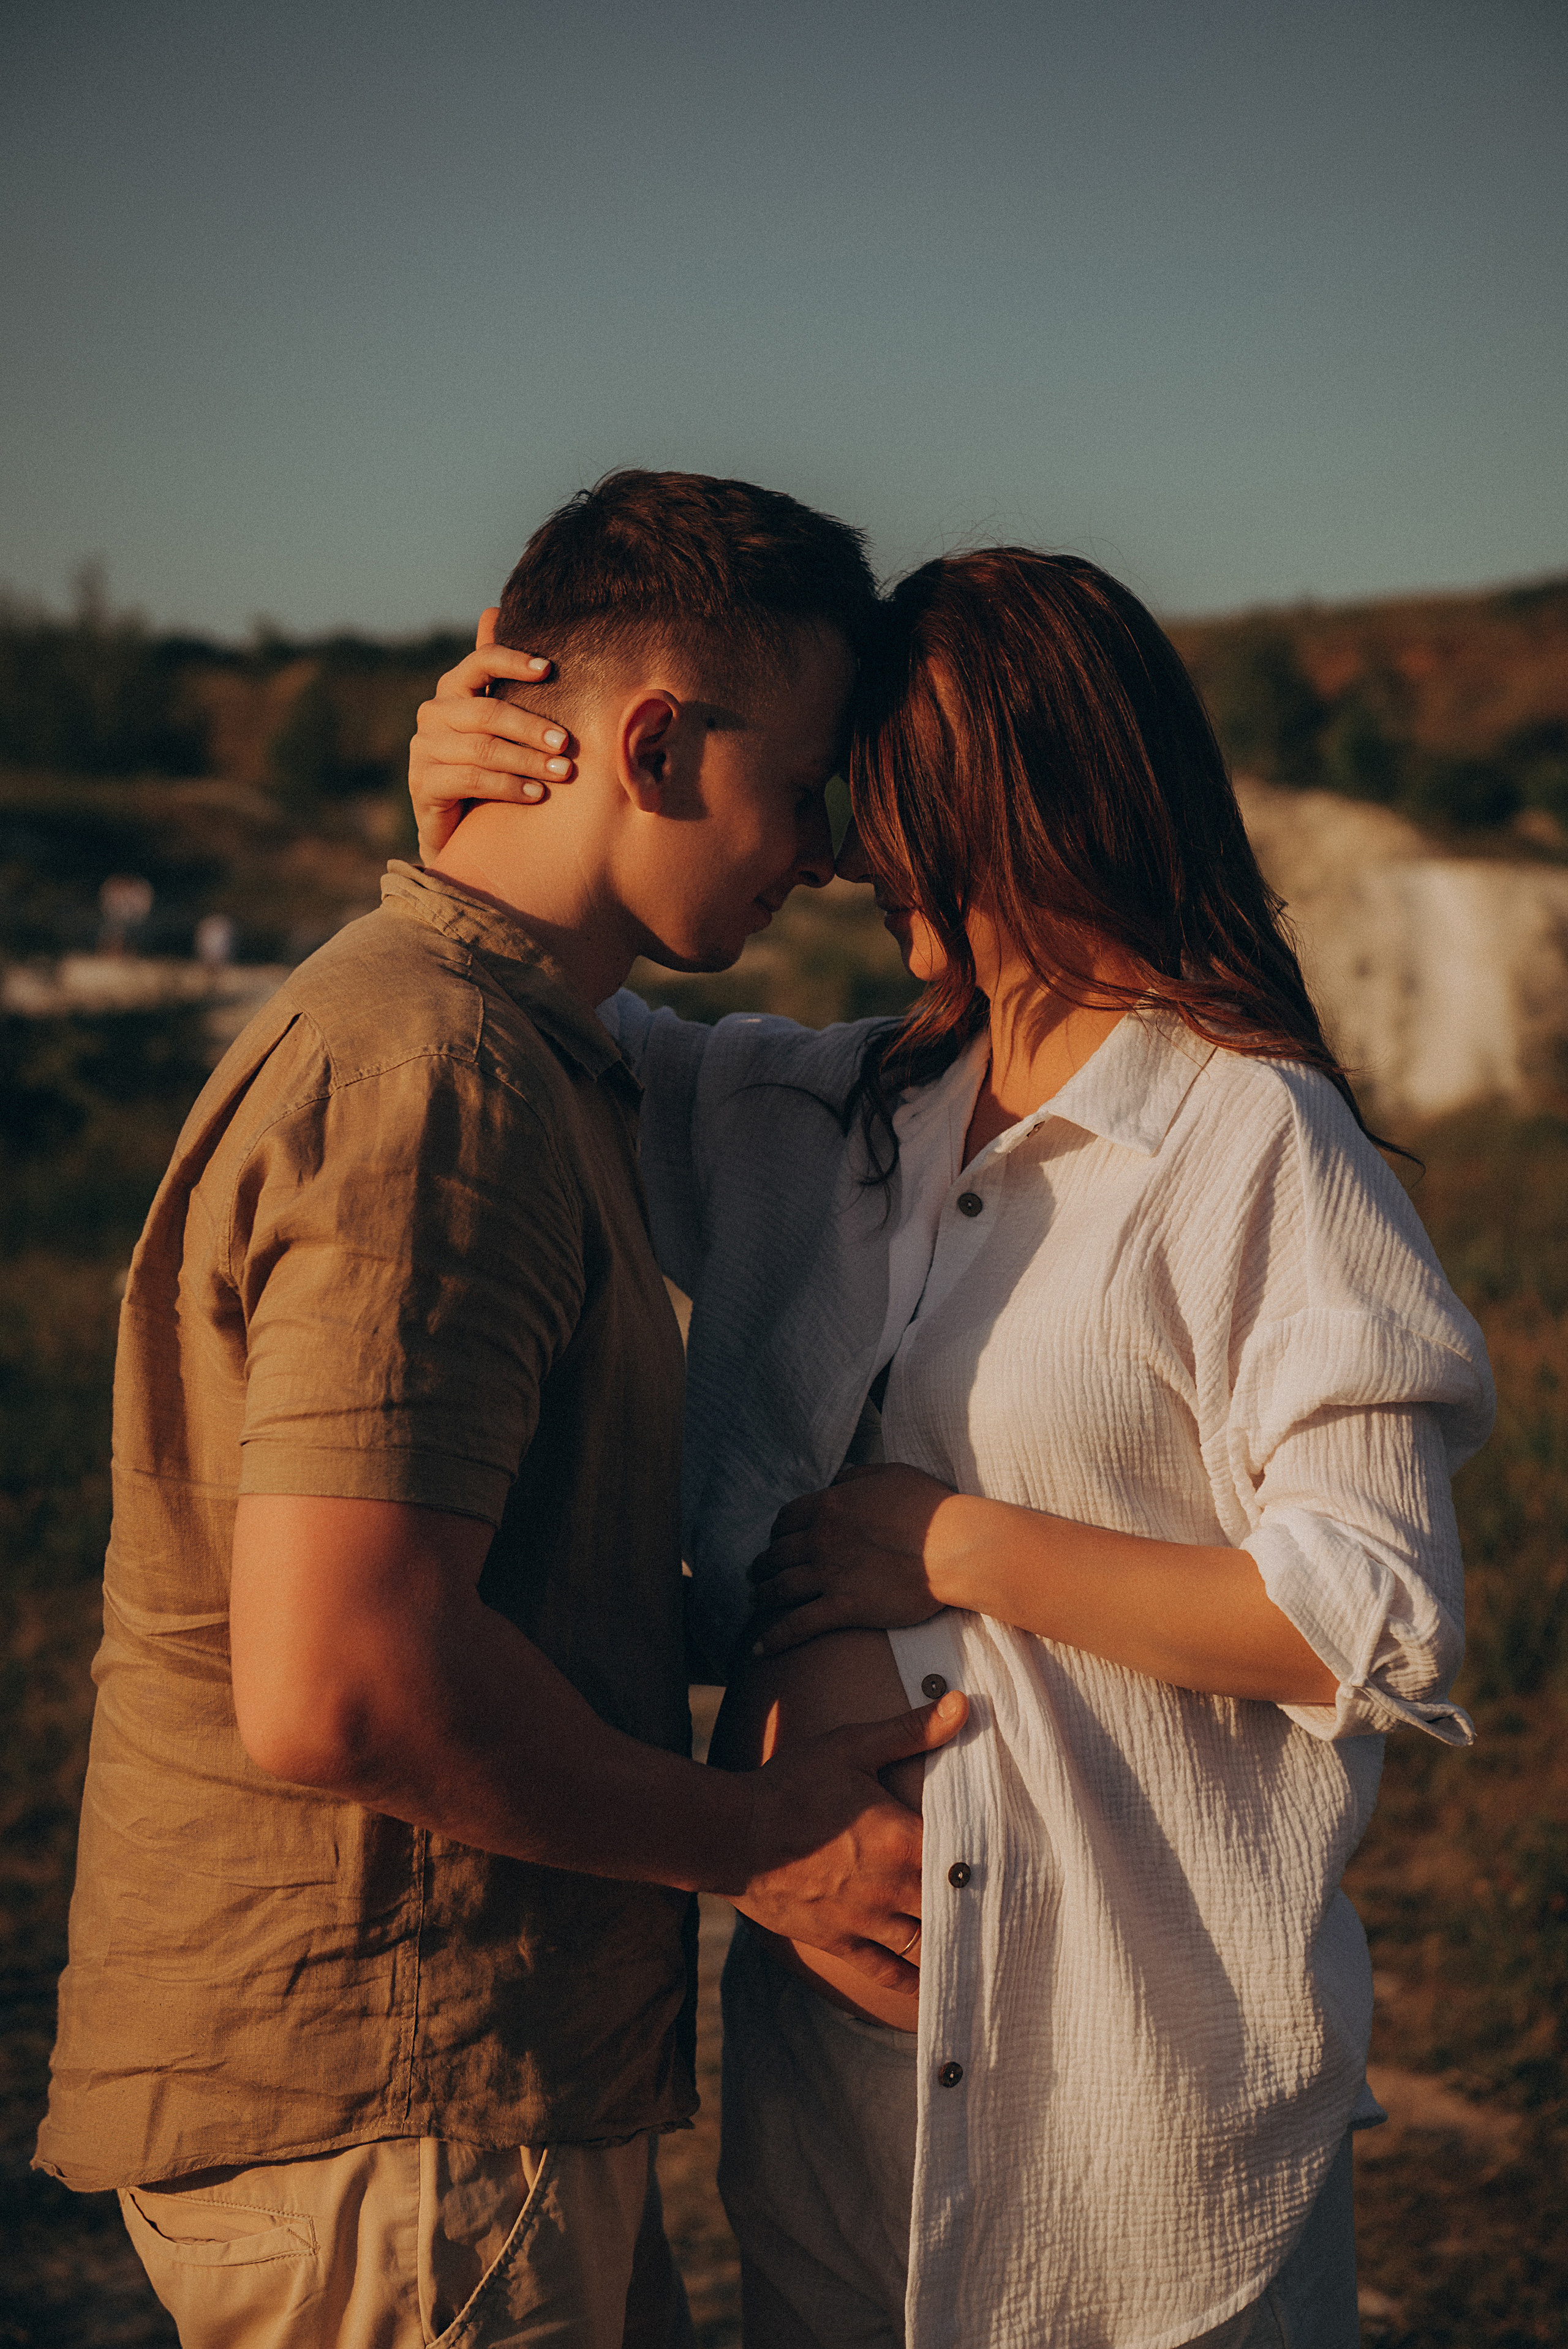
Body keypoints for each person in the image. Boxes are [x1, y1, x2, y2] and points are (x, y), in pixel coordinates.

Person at [409, 543, 1493, 2349]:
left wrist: (959, 1545)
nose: (839, 845)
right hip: (835, 2119)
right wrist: (482, 789)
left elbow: (1369, 1612)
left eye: (883, 797)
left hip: (1135, 2124)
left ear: (1030, 797)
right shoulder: (827, 1114)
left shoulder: (1246, 1140)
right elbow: (542, 1011)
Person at [34, 471, 971, 2349]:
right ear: (654, 739)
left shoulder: (502, 1044)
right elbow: (347, 1682)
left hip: (438, 2105)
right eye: (802, 789)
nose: (826, 855)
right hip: (398, 2118)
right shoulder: (435, 1082)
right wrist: (760, 1840)